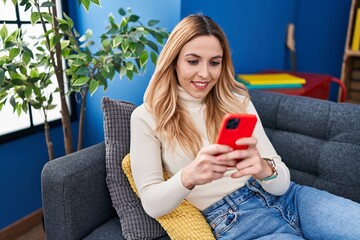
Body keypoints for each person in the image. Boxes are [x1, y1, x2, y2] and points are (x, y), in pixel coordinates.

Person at [130, 14, 360, 239]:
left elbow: (280, 185)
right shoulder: (147, 117)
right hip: (234, 221)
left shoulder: (236, 101)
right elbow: (151, 203)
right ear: (173, 62)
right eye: (193, 61)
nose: (205, 73)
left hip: (293, 199)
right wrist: (189, 176)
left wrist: (263, 169)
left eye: (214, 63)